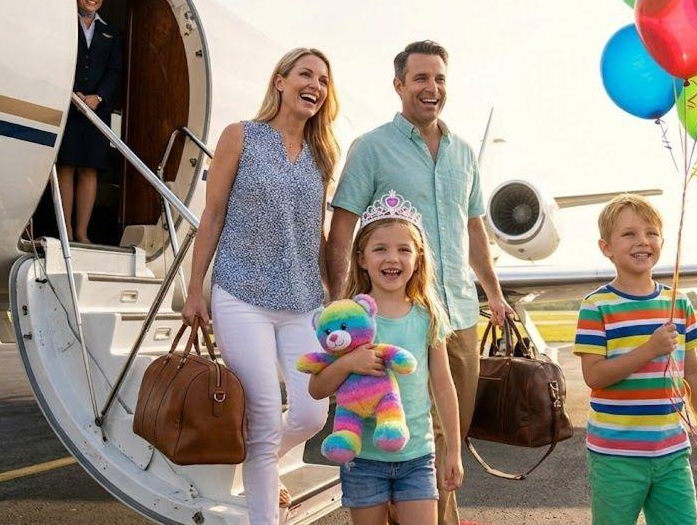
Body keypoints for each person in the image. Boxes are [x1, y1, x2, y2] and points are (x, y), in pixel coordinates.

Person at [327, 40, 512, 524]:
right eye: (421, 78)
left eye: (440, 79)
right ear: (399, 85)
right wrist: (338, 301)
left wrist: (493, 293)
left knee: (449, 437)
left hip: (458, 316)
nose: (432, 88)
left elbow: (474, 229)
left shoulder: (463, 153)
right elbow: (343, 229)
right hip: (392, 318)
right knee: (396, 437)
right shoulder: (371, 148)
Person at [180, 47, 340, 524]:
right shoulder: (241, 136)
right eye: (306, 74)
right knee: (266, 416)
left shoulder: (322, 154)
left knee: (310, 414)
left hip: (303, 299)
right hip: (241, 293)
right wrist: (195, 289)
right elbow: (213, 215)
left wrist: (335, 294)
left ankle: (260, 461)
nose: (315, 86)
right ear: (280, 81)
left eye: (324, 80)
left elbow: (315, 231)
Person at [573, 194, 697, 525]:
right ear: (606, 248)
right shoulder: (596, 306)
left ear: (662, 242)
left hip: (672, 452)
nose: (643, 241)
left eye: (651, 233)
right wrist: (649, 349)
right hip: (615, 456)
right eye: (629, 234)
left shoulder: (679, 304)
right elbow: (594, 376)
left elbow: (693, 374)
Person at [310, 191, 464, 524]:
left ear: (418, 258)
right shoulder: (348, 319)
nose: (392, 258)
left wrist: (453, 450)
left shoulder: (428, 316)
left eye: (403, 249)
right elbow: (317, 388)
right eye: (380, 248)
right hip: (363, 458)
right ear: (362, 258)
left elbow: (443, 386)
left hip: (417, 456)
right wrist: (348, 363)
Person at [56, 0, 123, 243]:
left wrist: (99, 97)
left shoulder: (110, 32)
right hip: (68, 104)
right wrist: (69, 91)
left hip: (96, 110)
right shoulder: (62, 21)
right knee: (66, 166)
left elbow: (114, 70)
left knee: (90, 168)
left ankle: (82, 233)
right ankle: (66, 231)